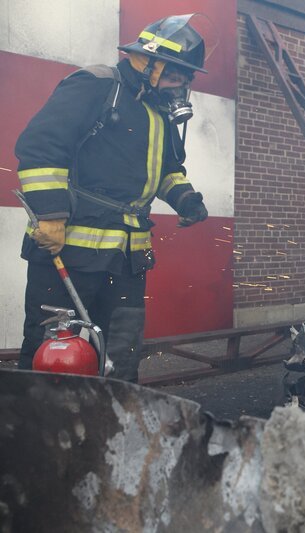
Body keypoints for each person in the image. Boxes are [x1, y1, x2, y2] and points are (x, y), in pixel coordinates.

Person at [15, 14, 210, 382]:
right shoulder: (96, 85)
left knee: (121, 356)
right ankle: (39, 430)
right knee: (54, 355)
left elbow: (166, 170)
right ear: (147, 61)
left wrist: (185, 199)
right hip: (67, 251)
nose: (180, 84)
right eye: (175, 73)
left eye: (186, 78)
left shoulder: (158, 112)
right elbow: (40, 148)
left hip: (127, 261)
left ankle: (114, 427)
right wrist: (51, 215)